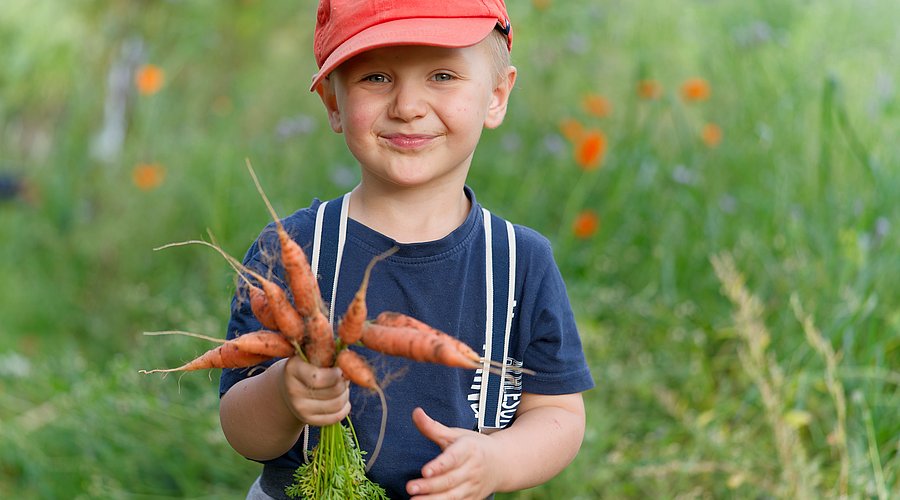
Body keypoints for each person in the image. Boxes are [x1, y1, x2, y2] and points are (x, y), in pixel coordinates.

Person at [218, 0, 595, 498]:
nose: (407, 106)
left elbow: (558, 414)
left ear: (496, 96)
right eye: (376, 78)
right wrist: (285, 392)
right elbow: (242, 430)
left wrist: (498, 461)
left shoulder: (521, 261)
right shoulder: (292, 249)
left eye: (441, 75)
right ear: (333, 102)